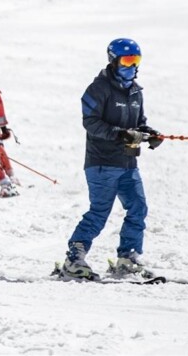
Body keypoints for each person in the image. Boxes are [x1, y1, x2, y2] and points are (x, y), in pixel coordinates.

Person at [61, 38, 163, 279]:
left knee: (138, 208)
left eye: (136, 61)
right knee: (99, 212)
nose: (133, 66)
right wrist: (120, 134)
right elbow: (91, 122)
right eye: (128, 61)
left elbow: (138, 124)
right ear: (113, 61)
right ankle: (73, 259)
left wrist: (150, 134)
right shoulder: (98, 89)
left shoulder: (136, 91)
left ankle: (128, 258)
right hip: (102, 162)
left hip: (128, 162)